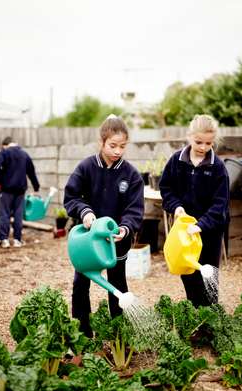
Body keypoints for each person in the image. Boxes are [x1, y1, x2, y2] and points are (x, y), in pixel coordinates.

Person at [64, 115, 144, 337]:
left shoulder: (132, 175)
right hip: (88, 242)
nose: (117, 151)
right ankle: (82, 333)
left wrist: (125, 228)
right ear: (101, 142)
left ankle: (120, 333)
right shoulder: (86, 168)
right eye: (112, 145)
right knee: (81, 284)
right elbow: (71, 197)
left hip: (117, 241)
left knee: (117, 284)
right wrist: (85, 212)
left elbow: (135, 210)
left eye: (122, 146)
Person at [159, 114, 230, 307]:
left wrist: (201, 225)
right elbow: (166, 188)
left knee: (208, 274)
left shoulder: (218, 167)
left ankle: (209, 321)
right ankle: (194, 314)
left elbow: (220, 204)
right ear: (189, 137)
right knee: (188, 273)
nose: (203, 147)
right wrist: (177, 207)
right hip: (184, 231)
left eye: (209, 143)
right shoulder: (176, 161)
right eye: (199, 142)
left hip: (209, 232)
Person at [0, 136, 40, 248]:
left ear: (5, 145)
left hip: (7, 189)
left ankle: (4, 240)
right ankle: (17, 240)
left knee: (4, 214)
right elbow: (31, 172)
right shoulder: (24, 154)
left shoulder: (4, 153)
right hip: (20, 190)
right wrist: (36, 187)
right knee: (18, 215)